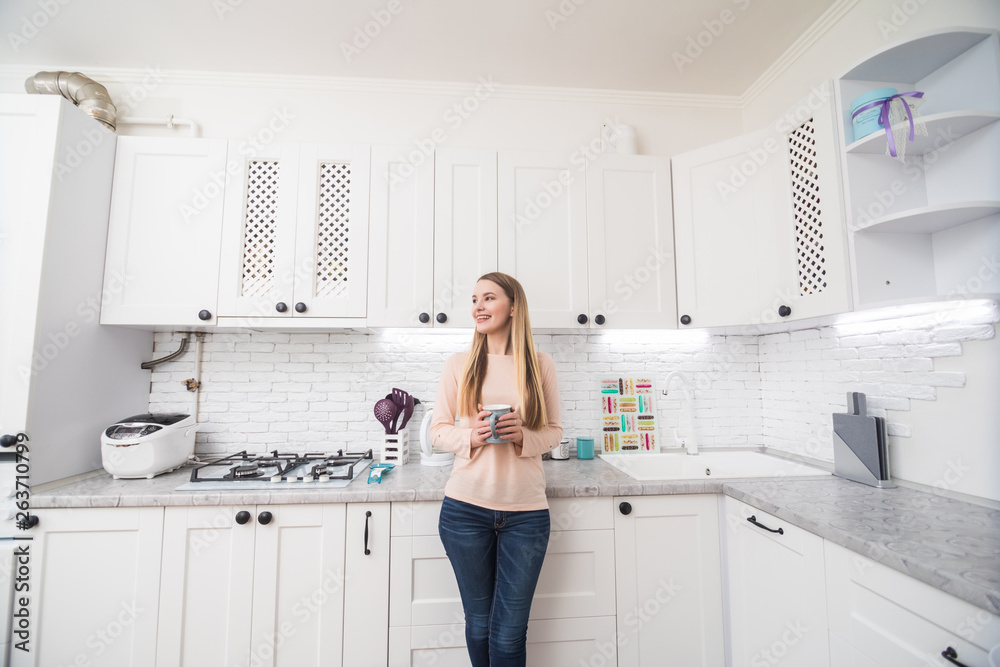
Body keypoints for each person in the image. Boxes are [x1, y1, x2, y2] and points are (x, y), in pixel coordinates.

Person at [429, 271, 563, 667]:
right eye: (474, 300)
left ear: (514, 306)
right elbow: (437, 432)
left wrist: (523, 436)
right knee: (478, 624)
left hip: (526, 515)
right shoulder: (460, 364)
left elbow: (555, 432)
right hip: (464, 510)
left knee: (508, 634)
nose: (478, 307)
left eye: (488, 298)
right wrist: (472, 436)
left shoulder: (540, 364)